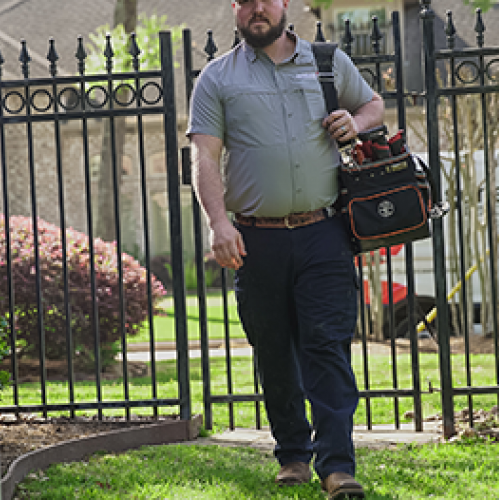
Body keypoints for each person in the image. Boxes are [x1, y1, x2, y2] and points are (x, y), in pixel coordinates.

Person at [187, 0, 384, 497]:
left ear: (284, 5)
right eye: (246, 1)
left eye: (265, 0)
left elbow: (373, 105)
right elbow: (205, 155)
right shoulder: (216, 78)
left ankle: (337, 465)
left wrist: (355, 124)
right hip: (255, 240)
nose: (257, 9)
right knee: (273, 351)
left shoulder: (327, 62)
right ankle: (292, 453)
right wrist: (217, 223)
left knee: (327, 347)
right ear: (235, 9)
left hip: (324, 233)